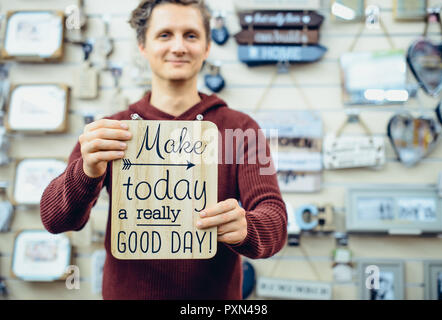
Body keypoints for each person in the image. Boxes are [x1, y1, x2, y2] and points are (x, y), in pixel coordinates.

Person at [40, 0, 287, 300]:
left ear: (208, 46)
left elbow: (275, 219)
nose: (179, 46)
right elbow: (55, 220)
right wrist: (86, 172)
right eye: (165, 34)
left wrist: (248, 227)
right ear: (142, 46)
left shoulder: (241, 128)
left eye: (191, 35)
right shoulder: (111, 130)